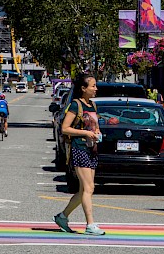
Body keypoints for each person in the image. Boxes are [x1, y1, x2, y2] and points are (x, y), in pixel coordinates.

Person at [54, 74, 105, 236]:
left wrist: (97, 132)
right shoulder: (76, 106)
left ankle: (62, 217)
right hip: (79, 148)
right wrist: (84, 132)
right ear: (83, 89)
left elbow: (94, 126)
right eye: (93, 86)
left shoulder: (93, 106)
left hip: (91, 149)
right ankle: (90, 224)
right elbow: (65, 128)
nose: (96, 89)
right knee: (89, 188)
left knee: (85, 189)